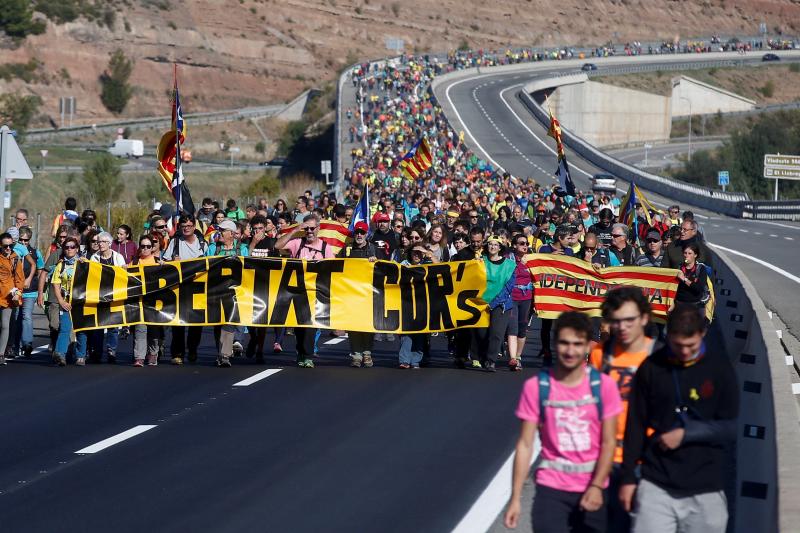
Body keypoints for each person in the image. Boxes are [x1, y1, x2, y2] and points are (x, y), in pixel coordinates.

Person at [619, 304, 739, 533]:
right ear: (668, 335)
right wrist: (628, 478)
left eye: (691, 346)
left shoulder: (719, 369)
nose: (684, 352)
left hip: (706, 486)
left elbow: (731, 427)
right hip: (656, 482)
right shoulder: (652, 367)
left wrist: (686, 434)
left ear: (702, 334)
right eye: (677, 345)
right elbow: (635, 425)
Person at [504, 311, 621, 532]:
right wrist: (515, 498)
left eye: (577, 344)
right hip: (552, 488)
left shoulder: (604, 386)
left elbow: (608, 443)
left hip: (593, 486)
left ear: (588, 346)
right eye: (565, 343)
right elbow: (525, 445)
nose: (570, 351)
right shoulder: (536, 387)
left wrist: (597, 486)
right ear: (556, 344)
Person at [589, 287, 658, 533]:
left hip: (648, 461)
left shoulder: (660, 356)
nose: (623, 327)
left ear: (644, 318)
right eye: (616, 321)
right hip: (605, 460)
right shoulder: (600, 354)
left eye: (630, 320)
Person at [275, 214, 336, 368]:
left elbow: (333, 268)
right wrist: (296, 230)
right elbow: (277, 246)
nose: (309, 231)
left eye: (312, 228)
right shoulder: (297, 243)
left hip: (316, 293)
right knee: (299, 327)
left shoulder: (325, 248)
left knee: (310, 325)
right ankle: (300, 352)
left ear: (318, 229)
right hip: (297, 292)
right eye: (306, 228)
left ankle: (308, 356)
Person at [205, 219, 249, 367]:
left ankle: (224, 355)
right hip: (216, 291)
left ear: (231, 233)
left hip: (235, 293)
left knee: (229, 323)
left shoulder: (242, 249)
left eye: (223, 230)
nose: (220, 233)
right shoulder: (212, 248)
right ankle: (221, 353)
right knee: (218, 324)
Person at [165, 214, 207, 365]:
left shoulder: (202, 243)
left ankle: (193, 349)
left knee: (196, 324)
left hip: (198, 289)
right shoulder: (175, 242)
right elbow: (165, 262)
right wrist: (172, 262)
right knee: (178, 323)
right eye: (183, 227)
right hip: (179, 289)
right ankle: (177, 353)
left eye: (189, 226)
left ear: (194, 227)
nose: (186, 229)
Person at [472, 236, 515, 372]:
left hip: (501, 304)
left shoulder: (509, 265)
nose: (492, 247)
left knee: (496, 333)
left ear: (500, 248)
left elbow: (508, 287)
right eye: (490, 244)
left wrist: (494, 302)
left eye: (496, 245)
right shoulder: (480, 262)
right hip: (481, 303)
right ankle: (482, 357)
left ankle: (491, 361)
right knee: (481, 333)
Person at [338, 221, 378, 368]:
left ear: (367, 234)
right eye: (357, 232)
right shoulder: (347, 249)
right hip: (351, 294)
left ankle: (367, 354)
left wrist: (375, 262)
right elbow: (336, 266)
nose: (359, 235)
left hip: (368, 295)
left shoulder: (373, 249)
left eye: (362, 232)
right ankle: (356, 355)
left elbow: (381, 270)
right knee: (353, 326)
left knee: (367, 326)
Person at [51, 237, 86, 366]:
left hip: (81, 302)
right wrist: (61, 301)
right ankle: (60, 354)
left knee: (81, 329)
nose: (69, 249)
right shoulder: (61, 265)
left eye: (72, 247)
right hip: (66, 302)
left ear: (77, 249)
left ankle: (80, 355)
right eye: (67, 247)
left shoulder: (83, 263)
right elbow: (56, 284)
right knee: (65, 328)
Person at [130, 235, 163, 367]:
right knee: (140, 329)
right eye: (142, 246)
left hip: (154, 301)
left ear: (152, 248)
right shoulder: (134, 262)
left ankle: (153, 354)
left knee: (154, 330)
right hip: (139, 302)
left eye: (148, 246)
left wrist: (164, 266)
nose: (145, 249)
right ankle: (139, 357)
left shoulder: (157, 261)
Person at [398, 244, 431, 369]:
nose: (417, 255)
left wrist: (428, 253)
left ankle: (416, 359)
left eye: (419, 252)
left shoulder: (427, 265)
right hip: (406, 302)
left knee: (420, 332)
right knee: (406, 332)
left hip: (423, 303)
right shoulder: (403, 264)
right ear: (410, 253)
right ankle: (404, 359)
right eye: (414, 252)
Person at [13, 226, 42, 359]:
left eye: (26, 240)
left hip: (30, 290)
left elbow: (41, 269)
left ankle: (27, 343)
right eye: (21, 239)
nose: (24, 242)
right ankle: (15, 344)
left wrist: (40, 288)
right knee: (16, 317)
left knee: (26, 315)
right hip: (15, 290)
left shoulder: (35, 253)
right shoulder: (12, 250)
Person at [38, 228, 69, 350]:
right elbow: (44, 272)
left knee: (67, 326)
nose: (62, 239)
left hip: (69, 296)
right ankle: (55, 342)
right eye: (60, 237)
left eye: (64, 237)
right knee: (54, 325)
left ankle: (62, 350)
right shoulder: (54, 252)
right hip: (53, 294)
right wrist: (40, 293)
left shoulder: (76, 253)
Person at [509, 234, 533, 371]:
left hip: (527, 297)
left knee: (522, 327)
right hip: (512, 296)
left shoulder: (531, 259)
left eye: (526, 244)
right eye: (522, 243)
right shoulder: (509, 258)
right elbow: (507, 273)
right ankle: (512, 358)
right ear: (515, 245)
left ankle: (518, 357)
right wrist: (520, 264)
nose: (525, 246)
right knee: (513, 327)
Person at [0, 233, 24, 365]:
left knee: (5, 325)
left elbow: (20, 279)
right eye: (5, 246)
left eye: (11, 245)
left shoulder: (16, 259)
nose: (8, 248)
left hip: (8, 298)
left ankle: (1, 354)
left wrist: (18, 293)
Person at [672, 242, 710, 310]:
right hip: (679, 303)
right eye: (685, 253)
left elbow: (699, 288)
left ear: (695, 255)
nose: (686, 255)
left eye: (689, 253)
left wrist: (684, 279)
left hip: (695, 305)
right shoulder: (678, 267)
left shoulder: (701, 268)